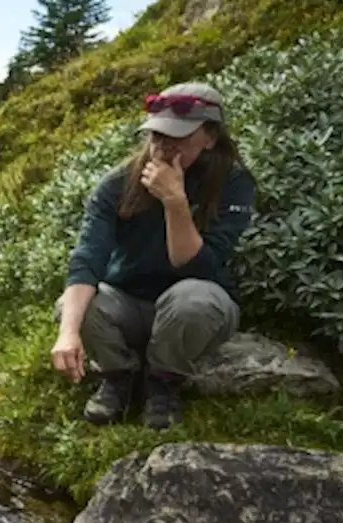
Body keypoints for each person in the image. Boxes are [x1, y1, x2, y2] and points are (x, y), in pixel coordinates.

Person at [51, 81, 257, 430]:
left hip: (197, 304)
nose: (162, 147)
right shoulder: (117, 183)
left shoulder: (234, 183)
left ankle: (163, 381)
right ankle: (119, 376)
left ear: (209, 137)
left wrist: (174, 202)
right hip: (129, 301)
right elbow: (88, 258)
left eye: (178, 137)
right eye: (157, 135)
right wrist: (68, 332)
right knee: (75, 307)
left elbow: (198, 266)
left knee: (192, 299)